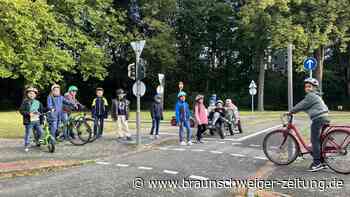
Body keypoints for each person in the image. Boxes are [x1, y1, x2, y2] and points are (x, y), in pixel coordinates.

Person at [288, 78, 329, 172]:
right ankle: (322, 161)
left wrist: (291, 112)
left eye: (309, 86)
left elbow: (301, 105)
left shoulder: (311, 96)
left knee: (314, 140)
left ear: (314, 88)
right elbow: (304, 106)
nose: (307, 88)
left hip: (319, 119)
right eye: (306, 86)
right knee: (319, 141)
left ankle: (317, 163)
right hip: (324, 118)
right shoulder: (316, 96)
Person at [19, 87, 44, 152]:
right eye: (30, 93)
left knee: (41, 132)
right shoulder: (25, 102)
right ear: (27, 94)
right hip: (29, 121)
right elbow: (21, 110)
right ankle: (27, 145)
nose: (31, 95)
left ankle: (39, 141)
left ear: (35, 95)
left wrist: (49, 109)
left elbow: (42, 110)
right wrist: (28, 113)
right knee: (28, 134)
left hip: (37, 121)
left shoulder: (38, 102)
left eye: (33, 93)